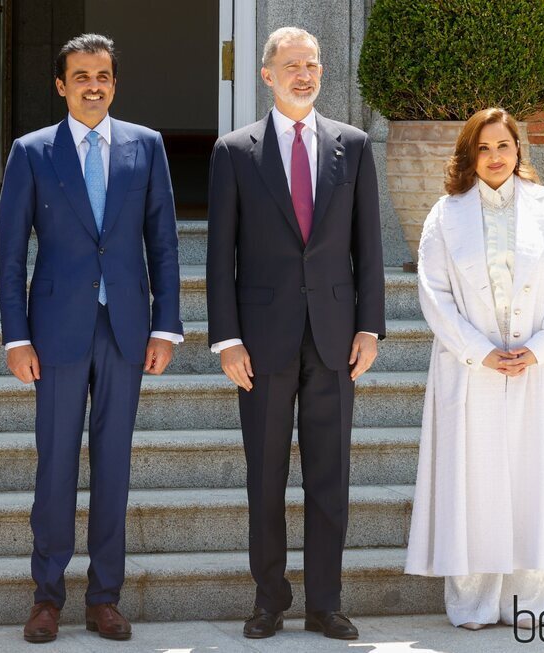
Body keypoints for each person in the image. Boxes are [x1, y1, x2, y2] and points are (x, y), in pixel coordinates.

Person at [0, 33, 183, 644]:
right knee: (54, 467)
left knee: (114, 468)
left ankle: (105, 597)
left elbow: (164, 242)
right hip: (54, 333)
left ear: (114, 82)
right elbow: (7, 254)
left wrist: (165, 324)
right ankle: (46, 597)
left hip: (126, 329)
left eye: (102, 75)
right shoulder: (31, 152)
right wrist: (15, 338)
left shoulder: (146, 147)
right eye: (80, 77)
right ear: (61, 84)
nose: (93, 86)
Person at [206, 27, 386, 641]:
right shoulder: (235, 151)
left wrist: (370, 327)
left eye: (311, 64)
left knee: (330, 475)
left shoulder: (353, 146)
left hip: (336, 336)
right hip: (260, 341)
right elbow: (220, 252)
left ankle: (325, 602)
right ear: (266, 75)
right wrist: (226, 338)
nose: (303, 75)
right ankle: (269, 600)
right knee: (265, 476)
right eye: (291, 65)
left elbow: (369, 246)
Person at [404, 107, 544, 630]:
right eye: (482, 148)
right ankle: (474, 603)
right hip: (473, 369)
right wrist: (478, 350)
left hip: (538, 367)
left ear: (518, 150)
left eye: (502, 146)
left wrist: (541, 347)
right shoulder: (446, 214)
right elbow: (434, 293)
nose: (494, 157)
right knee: (474, 484)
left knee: (536, 483)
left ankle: (528, 603)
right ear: (469, 154)